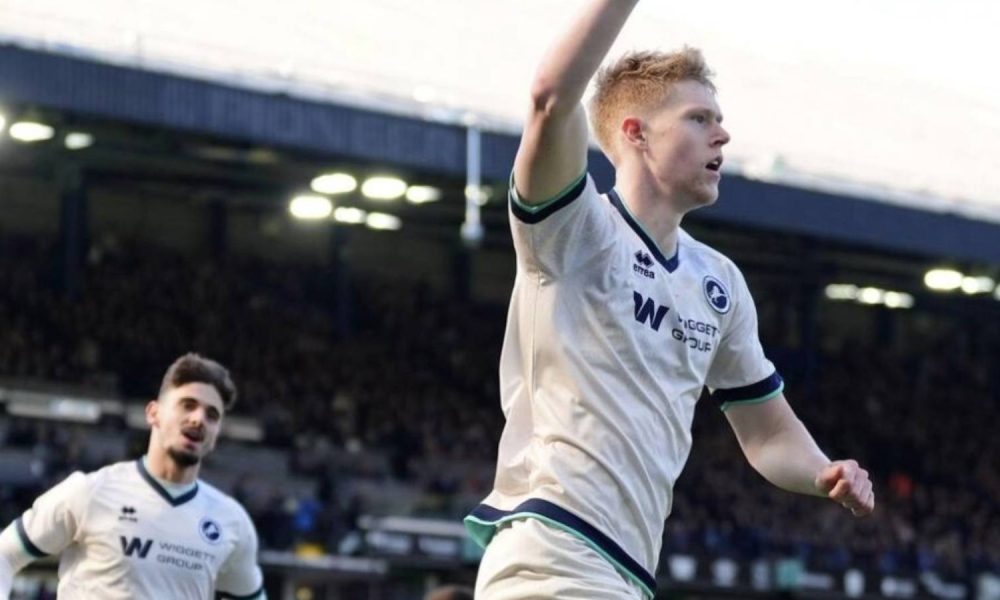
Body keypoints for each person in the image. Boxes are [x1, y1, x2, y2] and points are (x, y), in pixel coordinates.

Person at [464, 1, 875, 598]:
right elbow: (552, 96)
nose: (723, 133)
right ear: (635, 133)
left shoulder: (719, 283)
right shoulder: (575, 230)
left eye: (720, 119)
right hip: (551, 553)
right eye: (698, 118)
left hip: (627, 571)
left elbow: (766, 434)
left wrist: (822, 472)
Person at [0, 353, 266, 600]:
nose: (199, 419)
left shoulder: (232, 522)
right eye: (188, 405)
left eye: (212, 415)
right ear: (153, 413)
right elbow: (5, 554)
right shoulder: (90, 491)